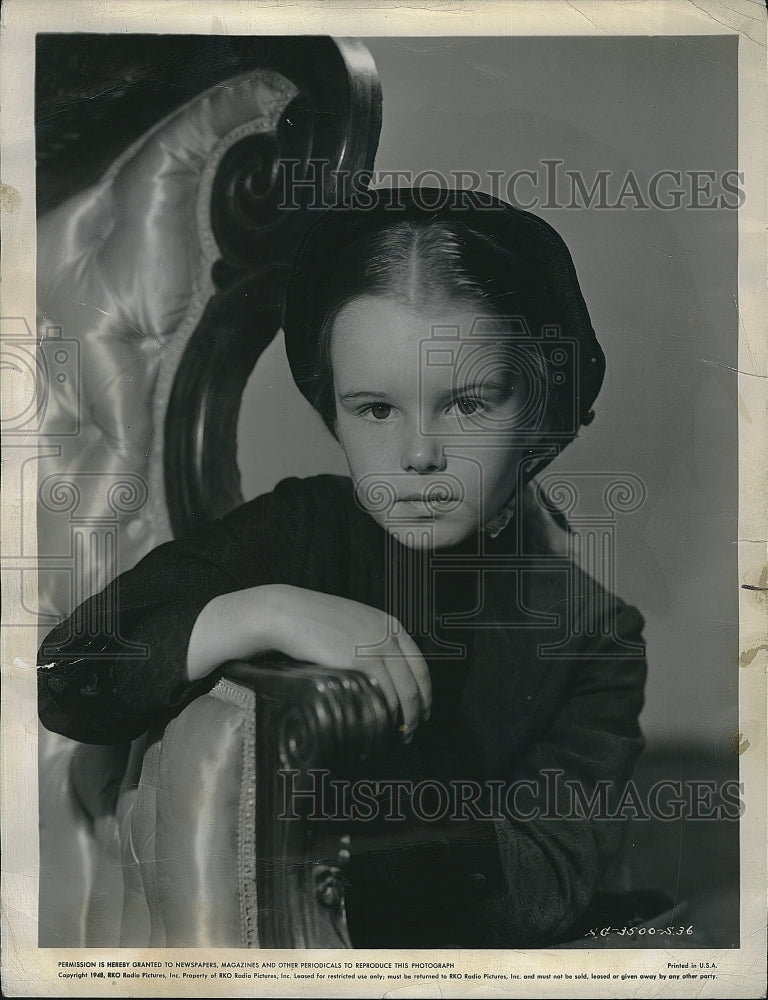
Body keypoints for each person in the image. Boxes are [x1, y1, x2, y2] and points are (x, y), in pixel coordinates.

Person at [38, 188, 650, 948]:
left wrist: (362, 794)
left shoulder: (595, 637)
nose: (419, 455)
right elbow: (70, 676)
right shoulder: (299, 531)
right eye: (374, 409)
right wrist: (259, 611)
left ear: (535, 407)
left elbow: (540, 892)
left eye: (467, 404)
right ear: (332, 408)